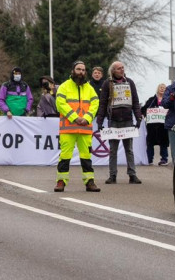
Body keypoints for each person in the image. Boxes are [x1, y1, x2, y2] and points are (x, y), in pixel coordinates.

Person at [54, 61, 101, 193]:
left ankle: (89, 182)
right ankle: (61, 182)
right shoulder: (64, 87)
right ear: (73, 70)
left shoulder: (89, 88)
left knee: (86, 156)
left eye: (83, 70)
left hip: (84, 129)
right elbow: (60, 104)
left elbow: (95, 103)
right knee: (65, 156)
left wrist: (86, 118)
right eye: (78, 69)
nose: (81, 72)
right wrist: (75, 118)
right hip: (68, 128)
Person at [96, 61, 143, 185]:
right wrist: (100, 121)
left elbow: (135, 102)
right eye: (118, 68)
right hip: (113, 121)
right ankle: (112, 175)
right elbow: (102, 103)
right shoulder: (107, 83)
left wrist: (138, 118)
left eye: (122, 67)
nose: (121, 70)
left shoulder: (130, 82)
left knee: (129, 149)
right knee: (113, 150)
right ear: (113, 71)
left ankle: (132, 175)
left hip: (127, 120)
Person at [142, 83, 169, 165]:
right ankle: (149, 159)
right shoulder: (151, 100)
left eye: (164, 88)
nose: (162, 89)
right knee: (150, 143)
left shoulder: (167, 100)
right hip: (152, 125)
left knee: (163, 143)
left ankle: (164, 159)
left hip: (163, 126)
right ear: (158, 89)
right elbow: (144, 109)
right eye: (161, 87)